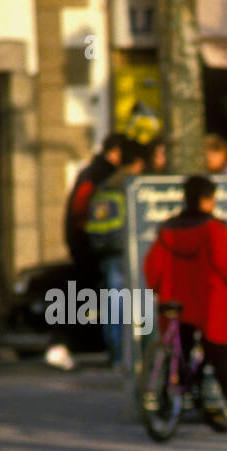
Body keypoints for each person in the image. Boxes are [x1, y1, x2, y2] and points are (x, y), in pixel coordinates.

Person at [143, 175, 227, 435]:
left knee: (179, 354)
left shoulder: (167, 229)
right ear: (205, 200)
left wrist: (158, 290)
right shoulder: (214, 229)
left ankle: (169, 404)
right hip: (209, 303)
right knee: (221, 358)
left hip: (177, 303)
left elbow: (152, 267)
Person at [51, 132, 129, 370]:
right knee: (100, 296)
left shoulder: (91, 171)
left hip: (89, 244)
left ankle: (96, 348)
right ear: (116, 152)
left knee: (99, 297)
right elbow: (80, 210)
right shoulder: (102, 175)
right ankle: (68, 345)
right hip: (95, 245)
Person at [86, 140, 149, 368]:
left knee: (113, 301)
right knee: (134, 302)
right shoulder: (133, 185)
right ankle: (132, 354)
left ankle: (116, 354)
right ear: (138, 163)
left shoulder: (105, 185)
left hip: (106, 250)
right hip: (126, 249)